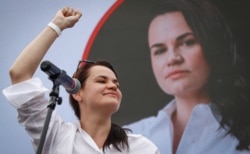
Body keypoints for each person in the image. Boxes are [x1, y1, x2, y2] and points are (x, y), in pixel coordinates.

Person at [2, 7, 159, 154]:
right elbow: (19, 74)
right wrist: (56, 26)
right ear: (77, 93)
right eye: (101, 81)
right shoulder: (56, 135)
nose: (112, 86)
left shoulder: (141, 147)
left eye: (116, 84)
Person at [124, 0, 250, 153]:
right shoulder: (128, 139)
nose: (172, 58)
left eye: (187, 42)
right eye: (159, 50)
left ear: (212, 46)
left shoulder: (243, 139)